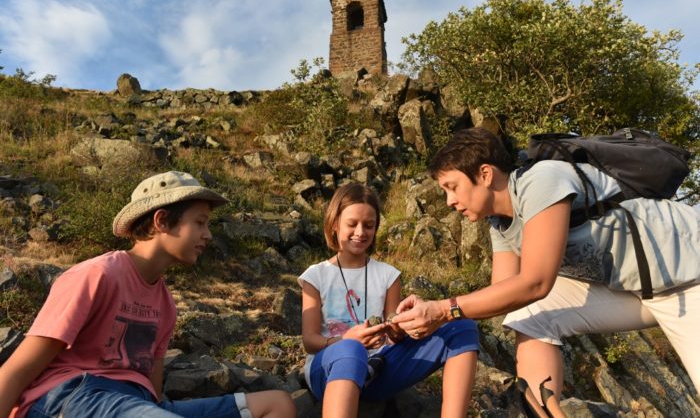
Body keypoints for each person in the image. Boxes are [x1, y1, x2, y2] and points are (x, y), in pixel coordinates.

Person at [391, 127, 700, 414]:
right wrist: (428, 311)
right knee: (529, 315)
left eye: (452, 187)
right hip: (633, 290)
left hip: (688, 279)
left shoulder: (542, 180)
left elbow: (536, 282)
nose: (449, 201)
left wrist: (444, 310)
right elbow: (504, 293)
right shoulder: (500, 222)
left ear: (485, 174)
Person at [0, 171, 295, 418]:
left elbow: (151, 391)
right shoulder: (96, 275)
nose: (208, 235)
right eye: (200, 222)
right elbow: (17, 368)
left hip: (137, 404)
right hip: (74, 395)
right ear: (162, 221)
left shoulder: (165, 303)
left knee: (277, 405)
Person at [298, 182, 479, 418]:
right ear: (334, 224)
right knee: (351, 349)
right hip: (329, 370)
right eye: (352, 224)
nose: (361, 232)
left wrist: (400, 327)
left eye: (369, 225)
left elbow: (393, 333)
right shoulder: (315, 275)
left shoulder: (388, 275)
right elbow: (310, 341)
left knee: (463, 327)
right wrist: (344, 340)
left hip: (378, 369)